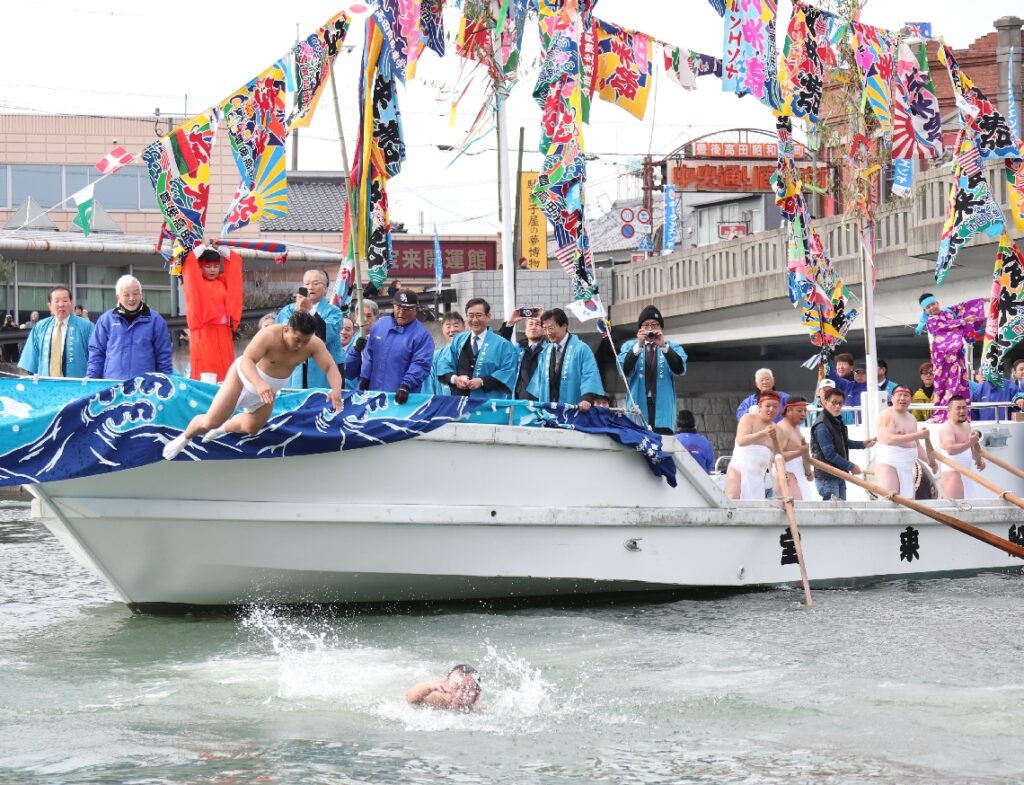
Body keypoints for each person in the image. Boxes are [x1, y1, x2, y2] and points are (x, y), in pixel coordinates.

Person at [162, 311, 342, 460]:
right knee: (211, 420)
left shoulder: (313, 344)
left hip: (269, 389)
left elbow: (329, 366)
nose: (300, 345)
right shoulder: (269, 335)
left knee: (252, 428)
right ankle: (184, 438)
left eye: (305, 341)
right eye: (296, 339)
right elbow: (247, 360)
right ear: (286, 330)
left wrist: (335, 389)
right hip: (244, 378)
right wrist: (259, 384)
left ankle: (223, 428)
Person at [87, 275, 173, 379]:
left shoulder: (155, 320)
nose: (132, 298)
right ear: (118, 297)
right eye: (126, 295)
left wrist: (166, 381)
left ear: (141, 295)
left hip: (144, 386)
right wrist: (92, 378)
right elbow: (96, 353)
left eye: (136, 294)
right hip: (112, 384)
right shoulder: (106, 320)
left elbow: (163, 355)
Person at [916, 292, 985, 422]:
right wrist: (964, 321)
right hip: (942, 356)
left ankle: (963, 413)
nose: (932, 307)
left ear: (938, 303)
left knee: (961, 382)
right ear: (925, 310)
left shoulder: (948, 312)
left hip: (956, 354)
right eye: (928, 307)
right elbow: (946, 326)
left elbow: (962, 306)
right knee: (943, 383)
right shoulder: (931, 321)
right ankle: (942, 413)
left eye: (933, 304)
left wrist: (981, 300)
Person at [617, 305, 687, 435]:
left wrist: (664, 346)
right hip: (637, 407)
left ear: (661, 328)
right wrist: (638, 346)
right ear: (640, 329)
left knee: (662, 446)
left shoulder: (672, 347)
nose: (650, 329)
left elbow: (679, 369)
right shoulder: (629, 346)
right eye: (646, 325)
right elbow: (625, 370)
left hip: (662, 410)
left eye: (654, 325)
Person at [437, 298, 518, 404]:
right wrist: (455, 378)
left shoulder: (503, 344)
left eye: (478, 315)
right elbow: (444, 364)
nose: (474, 320)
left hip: (488, 404)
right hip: (458, 403)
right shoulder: (458, 340)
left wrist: (482, 381)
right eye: (471, 315)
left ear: (488, 317)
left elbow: (508, 370)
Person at [356, 290, 434, 399]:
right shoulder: (380, 324)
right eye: (398, 307)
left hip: (401, 396)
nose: (401, 312)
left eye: (407, 309)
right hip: (373, 393)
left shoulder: (422, 335)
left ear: (416, 310)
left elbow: (421, 364)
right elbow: (369, 354)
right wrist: (365, 377)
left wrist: (406, 385)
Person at [181, 246, 243, 382]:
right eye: (208, 266)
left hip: (223, 332)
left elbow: (235, 265)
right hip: (204, 332)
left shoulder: (223, 281)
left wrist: (219, 248)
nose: (212, 270)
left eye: (215, 266)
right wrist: (202, 246)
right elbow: (189, 264)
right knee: (205, 370)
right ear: (200, 267)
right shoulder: (196, 283)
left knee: (226, 369)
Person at [275, 269, 344, 390]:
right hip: (293, 369)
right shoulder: (288, 310)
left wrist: (310, 310)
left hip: (322, 371)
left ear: (326, 288)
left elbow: (326, 335)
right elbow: (283, 335)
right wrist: (298, 312)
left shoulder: (334, 311)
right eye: (306, 284)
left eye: (316, 283)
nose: (310, 287)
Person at [527, 308, 605, 410]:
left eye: (551, 328)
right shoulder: (546, 351)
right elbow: (538, 384)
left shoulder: (581, 349)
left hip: (574, 409)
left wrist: (586, 399)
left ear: (564, 326)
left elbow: (590, 375)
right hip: (549, 410)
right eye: (545, 329)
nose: (547, 333)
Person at [810, 387, 875, 500]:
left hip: (837, 474)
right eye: (834, 403)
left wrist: (863, 444)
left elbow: (844, 442)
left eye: (840, 403)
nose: (838, 406)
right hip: (828, 477)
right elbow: (829, 454)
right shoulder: (822, 426)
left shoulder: (835, 420)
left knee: (840, 511)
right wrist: (851, 466)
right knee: (833, 514)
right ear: (824, 403)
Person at [18, 286, 94, 378]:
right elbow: (30, 362)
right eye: (56, 301)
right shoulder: (40, 327)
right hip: (47, 385)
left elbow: (96, 358)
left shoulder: (87, 326)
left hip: (77, 386)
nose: (61, 304)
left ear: (71, 303)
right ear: (50, 306)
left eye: (65, 301)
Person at [875, 386, 934, 497]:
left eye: (906, 395)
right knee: (889, 501)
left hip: (907, 468)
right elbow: (888, 439)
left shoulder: (912, 418)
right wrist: (917, 435)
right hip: (889, 465)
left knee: (907, 504)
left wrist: (930, 462)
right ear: (892, 398)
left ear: (911, 399)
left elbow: (916, 444)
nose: (902, 398)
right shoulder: (886, 415)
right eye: (899, 395)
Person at [726, 391, 781, 500]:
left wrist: (774, 439)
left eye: (775, 406)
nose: (771, 409)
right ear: (760, 406)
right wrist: (763, 434)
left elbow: (777, 456)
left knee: (755, 506)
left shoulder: (777, 429)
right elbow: (741, 440)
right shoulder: (748, 418)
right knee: (733, 500)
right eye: (768, 406)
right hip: (738, 469)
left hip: (758, 475)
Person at [937, 395, 985, 500]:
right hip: (952, 476)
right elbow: (950, 449)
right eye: (958, 408)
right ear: (949, 410)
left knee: (968, 511)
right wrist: (970, 443)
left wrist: (979, 460)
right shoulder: (947, 428)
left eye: (964, 407)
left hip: (966, 474)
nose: (962, 411)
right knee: (954, 512)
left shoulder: (966, 424)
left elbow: (971, 447)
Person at [497, 307, 546, 400]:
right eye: (530, 324)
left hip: (541, 402)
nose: (533, 327)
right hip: (519, 401)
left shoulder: (549, 349)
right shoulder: (518, 349)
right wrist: (510, 322)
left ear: (544, 329)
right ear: (525, 329)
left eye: (538, 324)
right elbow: (502, 346)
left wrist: (547, 319)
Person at [773, 396, 814, 500]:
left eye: (805, 410)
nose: (804, 414)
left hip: (799, 475)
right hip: (787, 476)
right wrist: (799, 452)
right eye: (800, 411)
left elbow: (804, 454)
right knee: (798, 510)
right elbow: (775, 457)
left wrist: (808, 471)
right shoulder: (782, 428)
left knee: (805, 510)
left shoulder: (796, 427)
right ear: (789, 411)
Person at [406, 664, 481, 711]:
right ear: (446, 685)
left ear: (477, 696)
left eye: (467, 691)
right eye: (455, 688)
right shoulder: (439, 701)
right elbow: (410, 699)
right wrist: (430, 686)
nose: (459, 695)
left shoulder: (478, 710)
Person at [423, 311, 465, 395]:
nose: (452, 330)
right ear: (442, 330)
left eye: (456, 325)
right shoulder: (436, 356)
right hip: (443, 403)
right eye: (448, 326)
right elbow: (429, 386)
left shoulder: (474, 352)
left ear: (464, 328)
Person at [344, 300, 381, 384]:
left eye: (369, 316)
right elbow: (348, 372)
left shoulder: (381, 338)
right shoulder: (351, 339)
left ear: (376, 318)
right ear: (356, 318)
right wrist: (356, 350)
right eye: (361, 315)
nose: (364, 319)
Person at [674, 409, 715, 474]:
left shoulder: (672, 440)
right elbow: (709, 466)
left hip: (677, 481)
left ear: (677, 423)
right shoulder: (704, 442)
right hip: (700, 481)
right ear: (693, 423)